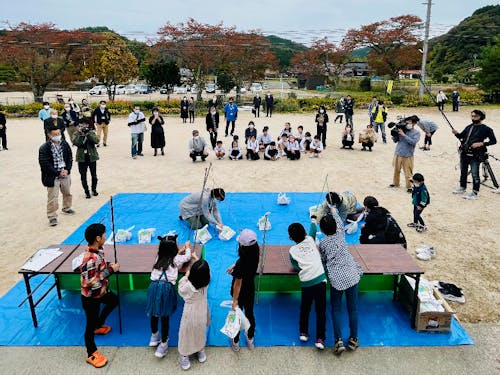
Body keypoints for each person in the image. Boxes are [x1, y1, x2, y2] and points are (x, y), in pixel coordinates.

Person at [318, 213, 363, 355]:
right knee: (353, 309)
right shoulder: (341, 234)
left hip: (336, 279)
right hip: (352, 275)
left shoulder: (323, 243)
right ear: (336, 227)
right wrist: (332, 209)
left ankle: (338, 341)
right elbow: (338, 220)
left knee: (336, 309)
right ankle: (354, 339)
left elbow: (323, 259)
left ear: (323, 230)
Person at [78, 223, 119, 368]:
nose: (105, 237)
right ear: (97, 238)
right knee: (89, 327)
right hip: (91, 297)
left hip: (101, 292)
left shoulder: (98, 251)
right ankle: (91, 353)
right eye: (104, 235)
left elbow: (99, 266)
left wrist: (108, 265)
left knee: (114, 301)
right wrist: (110, 270)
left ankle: (98, 325)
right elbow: (91, 281)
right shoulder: (90, 259)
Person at [146, 236, 193, 358]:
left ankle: (154, 336)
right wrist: (187, 248)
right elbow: (188, 257)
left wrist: (179, 252)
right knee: (165, 316)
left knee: (154, 313)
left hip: (153, 287)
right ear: (174, 249)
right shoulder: (176, 259)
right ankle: (164, 344)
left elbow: (170, 254)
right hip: (166, 289)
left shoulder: (158, 257)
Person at [288, 223, 327, 350]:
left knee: (305, 308)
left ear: (291, 238)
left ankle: (303, 332)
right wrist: (313, 219)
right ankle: (320, 339)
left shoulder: (292, 251)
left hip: (306, 282)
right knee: (321, 311)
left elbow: (295, 267)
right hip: (320, 279)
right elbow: (314, 229)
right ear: (305, 233)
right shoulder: (310, 239)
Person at [226, 229, 260, 351]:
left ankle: (236, 342)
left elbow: (237, 285)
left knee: (237, 317)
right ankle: (250, 338)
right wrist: (234, 266)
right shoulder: (255, 253)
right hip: (250, 289)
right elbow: (243, 261)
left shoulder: (241, 264)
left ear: (242, 246)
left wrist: (235, 301)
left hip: (240, 293)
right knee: (249, 314)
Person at [452, 109, 497, 200]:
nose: (473, 118)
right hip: (464, 153)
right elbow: (462, 137)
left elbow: (494, 141)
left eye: (475, 116)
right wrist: (456, 134)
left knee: (475, 174)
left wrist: (482, 143)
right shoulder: (469, 127)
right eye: (472, 116)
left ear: (481, 117)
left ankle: (475, 193)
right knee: (463, 172)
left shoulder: (487, 129)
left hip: (476, 155)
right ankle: (462, 188)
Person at [177, 259, 211, 371]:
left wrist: (186, 276)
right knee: (200, 331)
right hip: (202, 312)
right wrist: (198, 260)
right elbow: (207, 273)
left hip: (190, 315)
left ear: (193, 274)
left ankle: (184, 355)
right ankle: (200, 350)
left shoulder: (188, 287)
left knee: (186, 334)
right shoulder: (207, 281)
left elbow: (180, 289)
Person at [38, 126, 74, 227]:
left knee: (67, 192)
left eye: (59, 134)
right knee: (53, 197)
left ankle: (66, 208)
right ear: (49, 135)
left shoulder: (65, 144)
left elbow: (70, 157)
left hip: (65, 173)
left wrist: (67, 169)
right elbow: (44, 164)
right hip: (52, 176)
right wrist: (57, 173)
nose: (58, 136)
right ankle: (52, 216)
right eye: (55, 135)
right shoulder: (44, 148)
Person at [389, 119, 421, 193]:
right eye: (406, 122)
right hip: (398, 153)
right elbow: (395, 141)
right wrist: (395, 134)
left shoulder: (416, 133)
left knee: (408, 172)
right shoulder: (403, 129)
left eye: (409, 122)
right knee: (396, 170)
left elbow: (413, 142)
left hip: (408, 155)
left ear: (414, 123)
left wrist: (403, 135)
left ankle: (409, 186)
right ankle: (395, 183)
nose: (407, 124)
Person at [71, 120, 99, 199]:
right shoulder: (76, 134)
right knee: (83, 176)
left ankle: (94, 189)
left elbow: (96, 141)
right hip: (81, 158)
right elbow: (76, 143)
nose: (83, 127)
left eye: (84, 125)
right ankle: (86, 191)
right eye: (81, 125)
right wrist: (81, 135)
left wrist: (88, 134)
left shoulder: (91, 132)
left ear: (87, 125)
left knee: (94, 175)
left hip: (92, 157)